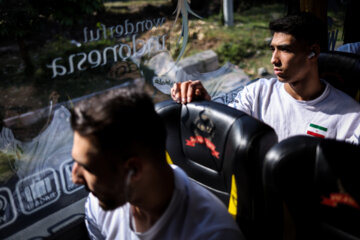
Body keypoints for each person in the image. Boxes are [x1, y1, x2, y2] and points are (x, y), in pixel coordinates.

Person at [70, 87, 244, 240]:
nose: (75, 177)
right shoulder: (99, 202)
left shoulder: (214, 234)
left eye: (87, 167)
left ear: (133, 170)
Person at [171, 12, 360, 143]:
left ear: (313, 52)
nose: (273, 60)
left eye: (285, 50)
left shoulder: (350, 117)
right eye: (273, 49)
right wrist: (205, 105)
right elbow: (227, 130)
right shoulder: (257, 93)